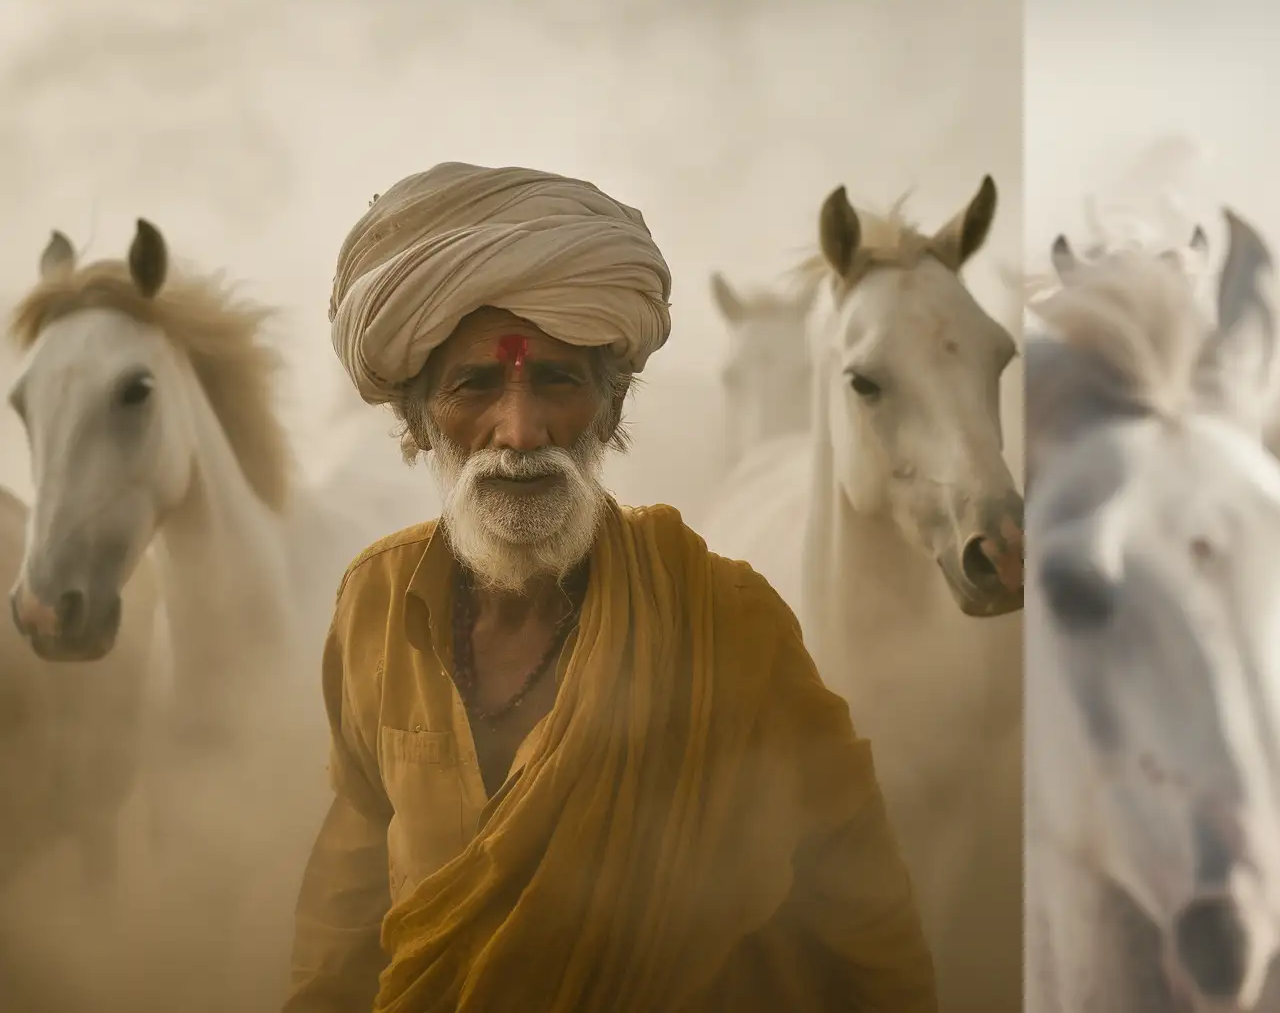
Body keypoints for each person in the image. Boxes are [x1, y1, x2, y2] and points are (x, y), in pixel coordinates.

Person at [286, 161, 937, 1013]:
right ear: (416, 418)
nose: (519, 433)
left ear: (611, 401)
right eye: (475, 384)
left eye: (557, 380)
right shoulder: (373, 603)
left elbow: (862, 916)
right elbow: (349, 894)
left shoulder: (726, 620)